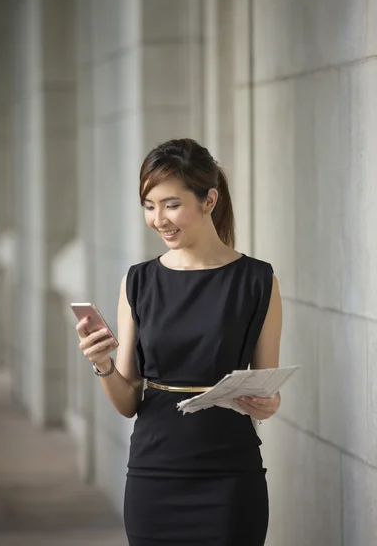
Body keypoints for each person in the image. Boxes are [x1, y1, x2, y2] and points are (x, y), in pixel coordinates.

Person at [76, 138, 283, 546]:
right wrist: (102, 364)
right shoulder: (138, 281)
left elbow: (266, 387)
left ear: (209, 200)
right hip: (155, 475)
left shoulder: (258, 280)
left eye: (171, 204)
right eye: (149, 206)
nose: (158, 219)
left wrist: (270, 403)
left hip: (230, 476)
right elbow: (129, 402)